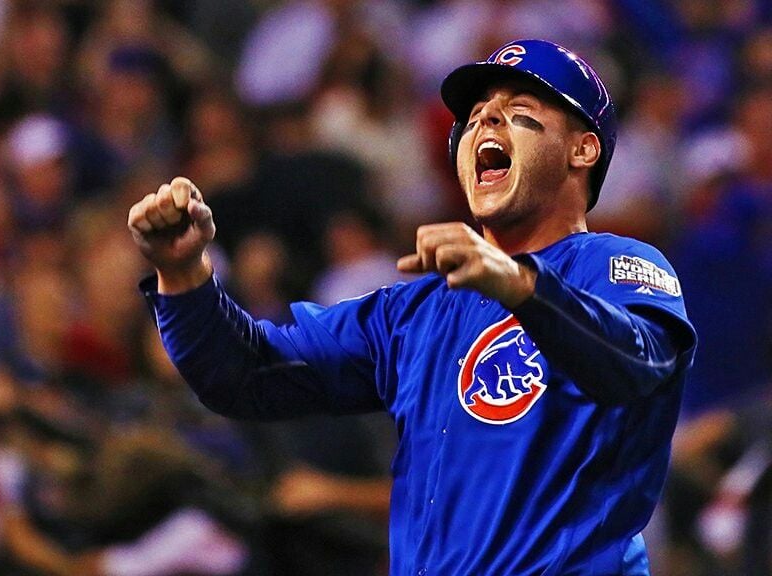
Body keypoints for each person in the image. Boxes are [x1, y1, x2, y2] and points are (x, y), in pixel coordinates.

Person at [128, 39, 697, 575]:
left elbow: (642, 366)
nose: (484, 122)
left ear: (583, 147)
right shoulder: (416, 311)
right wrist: (183, 275)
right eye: (473, 116)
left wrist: (523, 285)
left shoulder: (615, 265)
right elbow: (245, 375)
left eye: (519, 109)